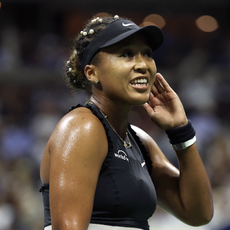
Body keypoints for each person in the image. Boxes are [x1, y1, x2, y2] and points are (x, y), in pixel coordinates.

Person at [39, 14, 214, 230]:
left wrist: (180, 131)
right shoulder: (82, 127)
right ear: (92, 73)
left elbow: (198, 214)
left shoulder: (141, 142)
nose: (142, 64)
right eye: (127, 54)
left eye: (147, 54)